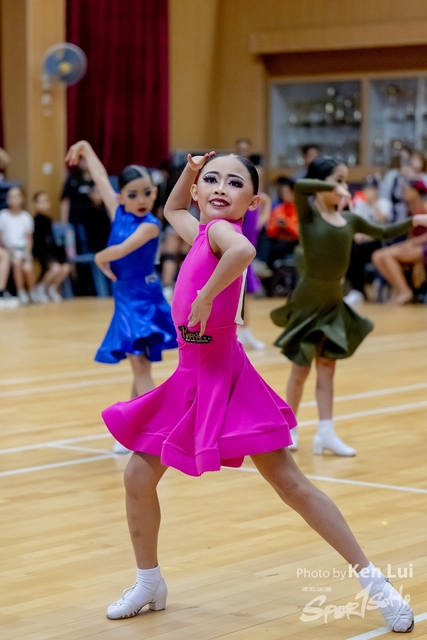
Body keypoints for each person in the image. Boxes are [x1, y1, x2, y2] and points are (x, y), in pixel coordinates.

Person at [101, 152, 414, 634]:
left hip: (224, 379)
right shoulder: (200, 231)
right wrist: (189, 172)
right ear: (198, 191)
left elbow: (244, 252)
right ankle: (149, 583)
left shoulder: (224, 233)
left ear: (252, 201)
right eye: (211, 180)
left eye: (234, 182)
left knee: (291, 484)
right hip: (189, 379)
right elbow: (172, 210)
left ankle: (377, 584)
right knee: (138, 476)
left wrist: (205, 296)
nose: (220, 187)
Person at [271, 156, 427, 456]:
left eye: (345, 180)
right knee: (300, 369)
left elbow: (383, 232)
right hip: (308, 303)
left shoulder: (350, 219)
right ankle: (289, 429)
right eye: (338, 180)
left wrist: (415, 221)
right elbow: (301, 186)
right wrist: (329, 186)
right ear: (321, 184)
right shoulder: (308, 215)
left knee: (327, 368)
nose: (344, 186)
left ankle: (326, 433)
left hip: (333, 302)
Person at [65, 141, 178, 454]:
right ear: (121, 196)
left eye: (147, 193)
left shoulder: (151, 225)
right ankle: (132, 432)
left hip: (144, 300)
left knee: (140, 366)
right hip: (126, 298)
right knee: (140, 366)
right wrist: (85, 148)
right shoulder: (118, 212)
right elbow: (101, 177)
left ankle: (155, 433)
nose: (141, 200)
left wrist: (100, 257)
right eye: (133, 194)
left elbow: (120, 250)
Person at [372, 180, 427, 305]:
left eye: (407, 190)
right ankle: (398, 288)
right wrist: (407, 243)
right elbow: (412, 232)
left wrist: (414, 242)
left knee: (388, 256)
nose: (404, 192)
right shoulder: (410, 207)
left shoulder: (425, 205)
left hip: (423, 245)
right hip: (415, 243)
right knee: (377, 256)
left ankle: (405, 292)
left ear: (415, 191)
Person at [344, 176, 393, 306]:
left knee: (355, 252)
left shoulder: (384, 203)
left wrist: (374, 205)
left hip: (379, 242)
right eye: (366, 188)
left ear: (377, 190)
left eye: (372, 188)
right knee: (349, 252)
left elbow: (384, 223)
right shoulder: (360, 204)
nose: (369, 191)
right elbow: (355, 225)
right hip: (363, 243)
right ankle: (358, 291)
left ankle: (358, 291)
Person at [0, 187, 39, 304]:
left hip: (23, 249)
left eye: (16, 196)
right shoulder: (3, 215)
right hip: (9, 249)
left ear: (22, 199)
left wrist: (27, 253)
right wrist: (9, 249)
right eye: (11, 197)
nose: (13, 199)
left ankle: (32, 291)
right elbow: (1, 237)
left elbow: (29, 239)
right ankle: (21, 292)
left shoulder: (26, 217)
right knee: (17, 263)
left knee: (27, 267)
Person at [32, 192, 72, 302]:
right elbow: (37, 242)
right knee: (55, 269)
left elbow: (52, 240)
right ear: (35, 204)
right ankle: (40, 288)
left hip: (52, 252)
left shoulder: (49, 220)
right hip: (42, 253)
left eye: (46, 201)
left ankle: (52, 288)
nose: (44, 204)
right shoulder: (35, 221)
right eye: (41, 201)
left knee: (66, 267)